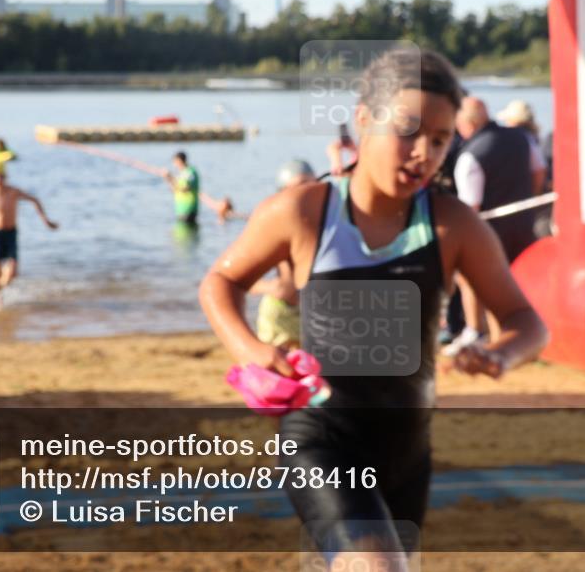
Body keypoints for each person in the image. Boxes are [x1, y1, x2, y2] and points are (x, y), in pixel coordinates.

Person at [199, 49, 547, 568]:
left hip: (407, 452)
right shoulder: (303, 212)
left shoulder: (453, 226)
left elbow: (526, 321)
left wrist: (501, 354)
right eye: (408, 131)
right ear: (363, 119)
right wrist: (250, 350)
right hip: (319, 438)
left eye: (440, 139)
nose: (423, 153)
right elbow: (221, 282)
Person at [444, 97, 536, 355]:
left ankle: (476, 331)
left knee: (470, 279)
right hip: (524, 223)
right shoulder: (522, 138)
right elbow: (538, 170)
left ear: (468, 124)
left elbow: (469, 208)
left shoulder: (470, 156)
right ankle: (504, 336)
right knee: (515, 281)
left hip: (488, 231)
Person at [248, 159, 317, 349]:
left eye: (312, 185)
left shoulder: (327, 222)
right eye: (300, 186)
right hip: (279, 314)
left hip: (312, 313)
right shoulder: (274, 228)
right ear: (283, 193)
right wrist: (272, 287)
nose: (307, 192)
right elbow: (240, 279)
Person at [0, 162, 58, 307]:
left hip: (11, 233)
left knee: (13, 273)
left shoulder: (13, 191)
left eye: (1, 176)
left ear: (6, 177)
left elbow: (35, 200)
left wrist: (46, 220)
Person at [496, 99, 548, 194]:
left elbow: (539, 170)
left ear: (512, 120)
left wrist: (535, 195)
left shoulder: (525, 138)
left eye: (507, 120)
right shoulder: (531, 137)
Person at [160, 151, 200, 224]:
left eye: (175, 162)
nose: (174, 164)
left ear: (180, 161)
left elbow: (185, 189)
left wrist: (171, 178)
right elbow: (174, 190)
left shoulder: (191, 172)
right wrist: (168, 179)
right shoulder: (181, 174)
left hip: (189, 210)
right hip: (180, 210)